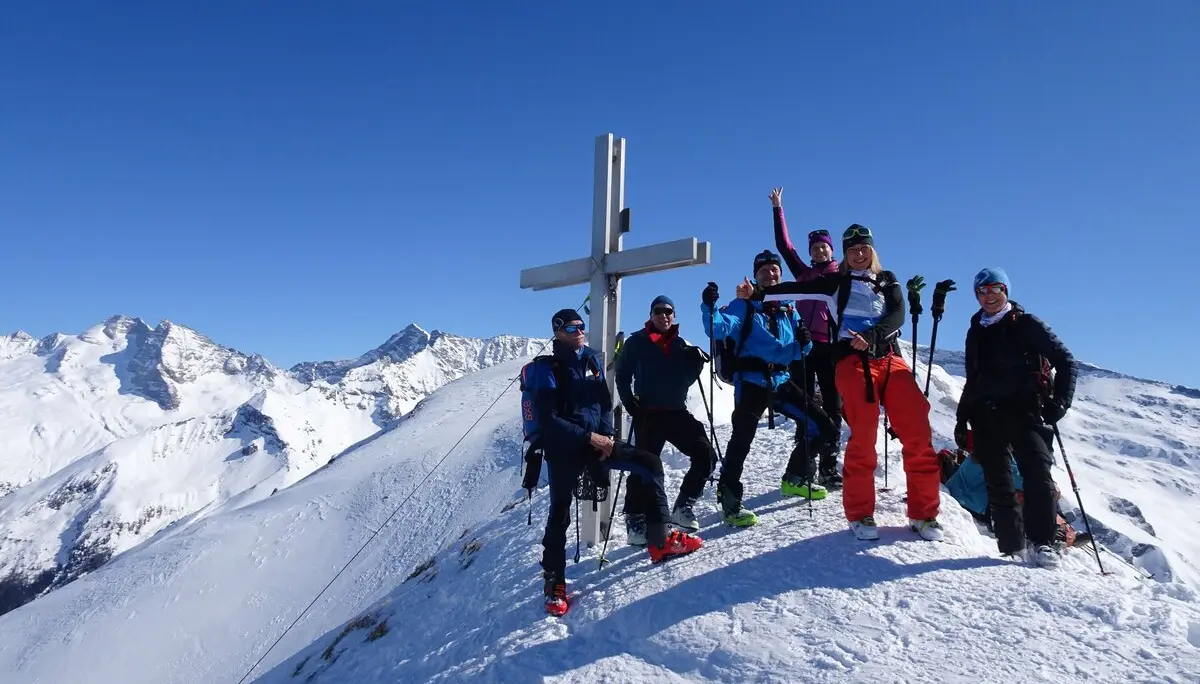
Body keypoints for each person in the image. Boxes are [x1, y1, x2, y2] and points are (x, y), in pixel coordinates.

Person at [762, 225, 943, 542]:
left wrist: (872, 336)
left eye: (864, 249)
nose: (859, 255)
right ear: (844, 254)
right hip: (851, 361)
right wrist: (759, 292)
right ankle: (860, 513)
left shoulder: (887, 280)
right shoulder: (835, 282)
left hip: (888, 357)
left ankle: (923, 513)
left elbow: (898, 314)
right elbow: (797, 287)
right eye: (852, 250)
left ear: (872, 251)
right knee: (864, 432)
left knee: (917, 430)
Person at [529, 308, 703, 616]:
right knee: (560, 513)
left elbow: (604, 404)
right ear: (557, 332)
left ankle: (659, 539)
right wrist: (590, 439)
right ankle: (554, 580)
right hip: (564, 450)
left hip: (597, 443)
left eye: (580, 325)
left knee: (650, 464)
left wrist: (606, 438)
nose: (578, 330)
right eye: (571, 328)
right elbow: (548, 419)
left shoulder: (592, 359)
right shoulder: (548, 368)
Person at [701, 250, 839, 527]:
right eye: (764, 270)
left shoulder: (789, 309)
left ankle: (795, 477)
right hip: (751, 382)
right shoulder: (745, 306)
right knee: (741, 441)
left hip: (781, 381)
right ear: (756, 275)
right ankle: (729, 497)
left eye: (774, 269)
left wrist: (805, 340)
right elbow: (717, 329)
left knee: (823, 426)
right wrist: (709, 307)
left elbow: (801, 352)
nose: (771, 274)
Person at [954, 267, 1077, 568]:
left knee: (1037, 474)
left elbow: (1066, 361)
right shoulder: (975, 331)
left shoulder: (1027, 324)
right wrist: (962, 417)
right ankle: (1011, 546)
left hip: (1027, 411)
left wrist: (1059, 403)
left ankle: (1043, 543)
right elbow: (973, 379)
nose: (989, 296)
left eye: (995, 289)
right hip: (986, 413)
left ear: (1006, 291)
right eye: (982, 292)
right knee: (998, 480)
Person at [615, 295, 720, 541]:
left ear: (674, 316)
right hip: (648, 414)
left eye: (668, 312)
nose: (664, 315)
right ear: (651, 315)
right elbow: (622, 374)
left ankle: (683, 507)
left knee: (706, 454)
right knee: (643, 467)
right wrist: (630, 402)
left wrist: (695, 366)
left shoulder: (680, 344)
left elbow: (682, 381)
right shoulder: (636, 342)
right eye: (658, 311)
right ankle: (635, 520)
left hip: (676, 412)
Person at [770, 187, 843, 489]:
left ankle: (829, 464)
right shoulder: (802, 274)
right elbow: (784, 247)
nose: (818, 251)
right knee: (805, 405)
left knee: (833, 404)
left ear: (831, 250)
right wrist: (778, 209)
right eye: (814, 248)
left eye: (822, 247)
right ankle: (806, 464)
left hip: (828, 346)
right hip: (802, 346)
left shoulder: (840, 273)